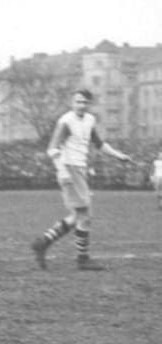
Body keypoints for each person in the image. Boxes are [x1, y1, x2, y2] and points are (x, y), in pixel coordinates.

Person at [31, 89, 132, 271]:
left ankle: (43, 242)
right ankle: (82, 259)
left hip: (80, 170)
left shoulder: (90, 120)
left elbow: (99, 144)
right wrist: (62, 170)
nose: (81, 105)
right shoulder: (66, 121)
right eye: (78, 102)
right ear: (72, 102)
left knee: (78, 216)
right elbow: (52, 149)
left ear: (89, 104)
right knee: (84, 215)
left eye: (84, 102)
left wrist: (118, 155)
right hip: (69, 168)